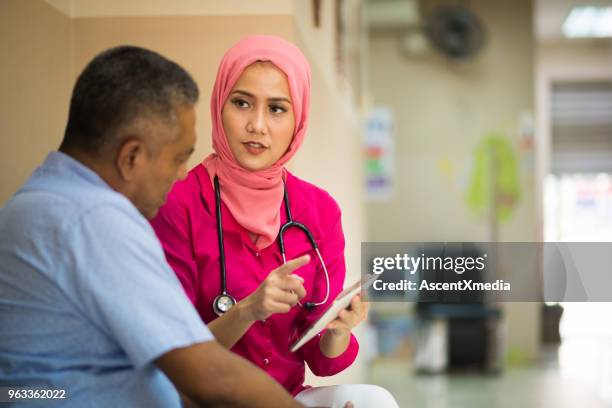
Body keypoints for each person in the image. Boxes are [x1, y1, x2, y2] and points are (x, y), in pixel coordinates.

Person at [0, 45, 308, 408]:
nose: (182, 174)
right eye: (179, 158)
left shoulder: (34, 200)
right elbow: (215, 378)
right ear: (131, 157)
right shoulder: (95, 221)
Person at [151, 35, 399, 407]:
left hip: (283, 398)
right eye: (242, 103)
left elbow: (320, 357)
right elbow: (177, 355)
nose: (257, 125)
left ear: (298, 118)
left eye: (277, 109)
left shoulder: (319, 211)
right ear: (220, 105)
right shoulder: (179, 202)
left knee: (374, 401)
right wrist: (248, 310)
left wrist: (335, 330)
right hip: (204, 399)